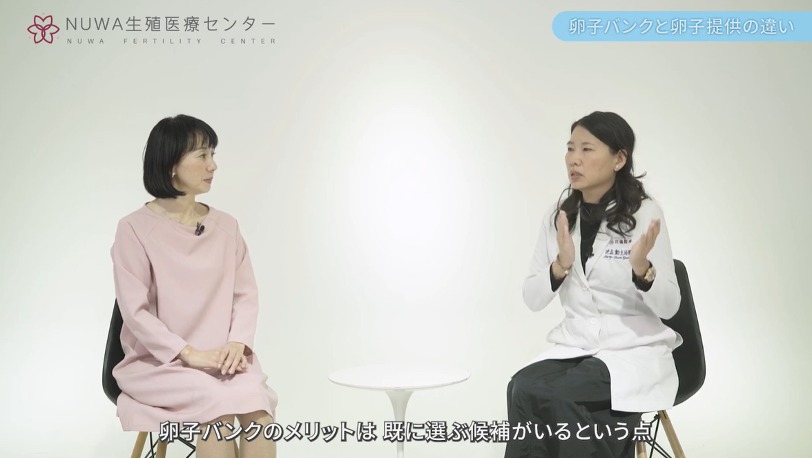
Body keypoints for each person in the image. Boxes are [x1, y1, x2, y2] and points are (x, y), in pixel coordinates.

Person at [505, 111, 682, 458]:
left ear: (619, 159)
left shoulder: (645, 214)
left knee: (560, 397)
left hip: (632, 349)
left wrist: (642, 270)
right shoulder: (558, 216)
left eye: (587, 149)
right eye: (570, 148)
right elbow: (532, 298)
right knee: (521, 386)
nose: (574, 159)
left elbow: (670, 306)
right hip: (576, 346)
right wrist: (561, 265)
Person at [111, 114, 279, 458]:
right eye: (202, 155)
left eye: (212, 154)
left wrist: (237, 343)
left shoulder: (226, 227)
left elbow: (246, 296)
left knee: (259, 411)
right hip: (160, 364)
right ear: (171, 164)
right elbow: (135, 313)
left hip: (224, 360)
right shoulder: (134, 230)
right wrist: (189, 354)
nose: (212, 165)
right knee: (218, 412)